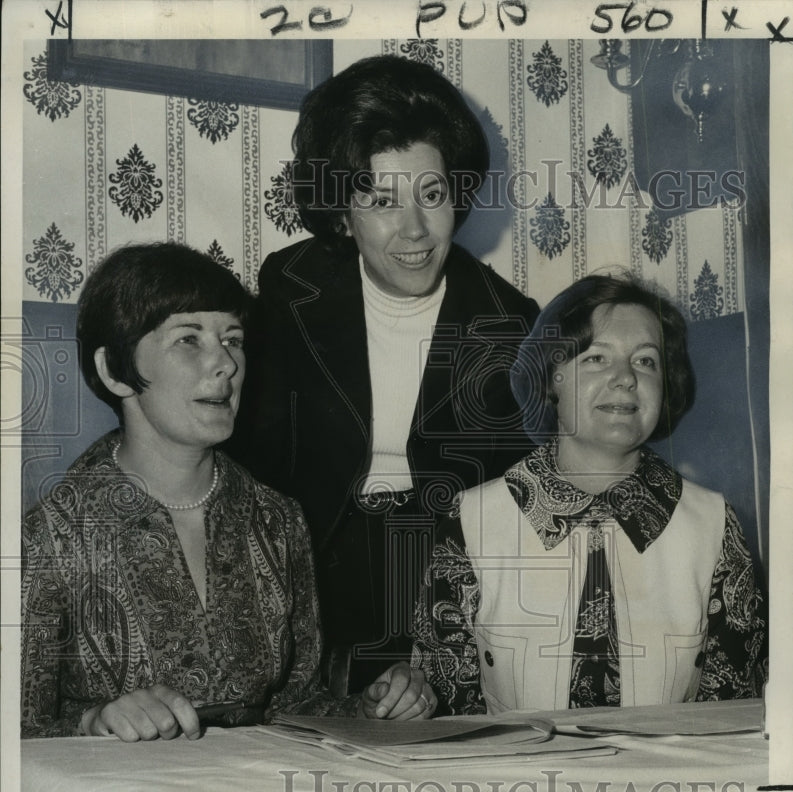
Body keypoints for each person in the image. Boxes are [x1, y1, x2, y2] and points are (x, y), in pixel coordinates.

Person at [21, 242, 436, 740]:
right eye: (189, 340)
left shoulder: (278, 519)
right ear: (115, 371)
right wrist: (93, 722)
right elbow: (18, 731)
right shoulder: (47, 536)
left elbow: (296, 704)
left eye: (233, 340)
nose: (226, 365)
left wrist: (370, 711)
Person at [226, 54, 540, 694]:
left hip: (443, 583)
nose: (416, 230)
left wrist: (441, 649)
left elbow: (512, 519)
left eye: (432, 195)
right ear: (343, 214)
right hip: (307, 570)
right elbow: (251, 467)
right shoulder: (291, 290)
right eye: (380, 201)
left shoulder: (510, 322)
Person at [411, 273, 768, 715]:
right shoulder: (471, 521)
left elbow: (735, 715)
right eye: (597, 357)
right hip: (510, 785)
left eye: (646, 361)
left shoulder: (715, 525)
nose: (625, 379)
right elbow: (444, 716)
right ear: (551, 377)